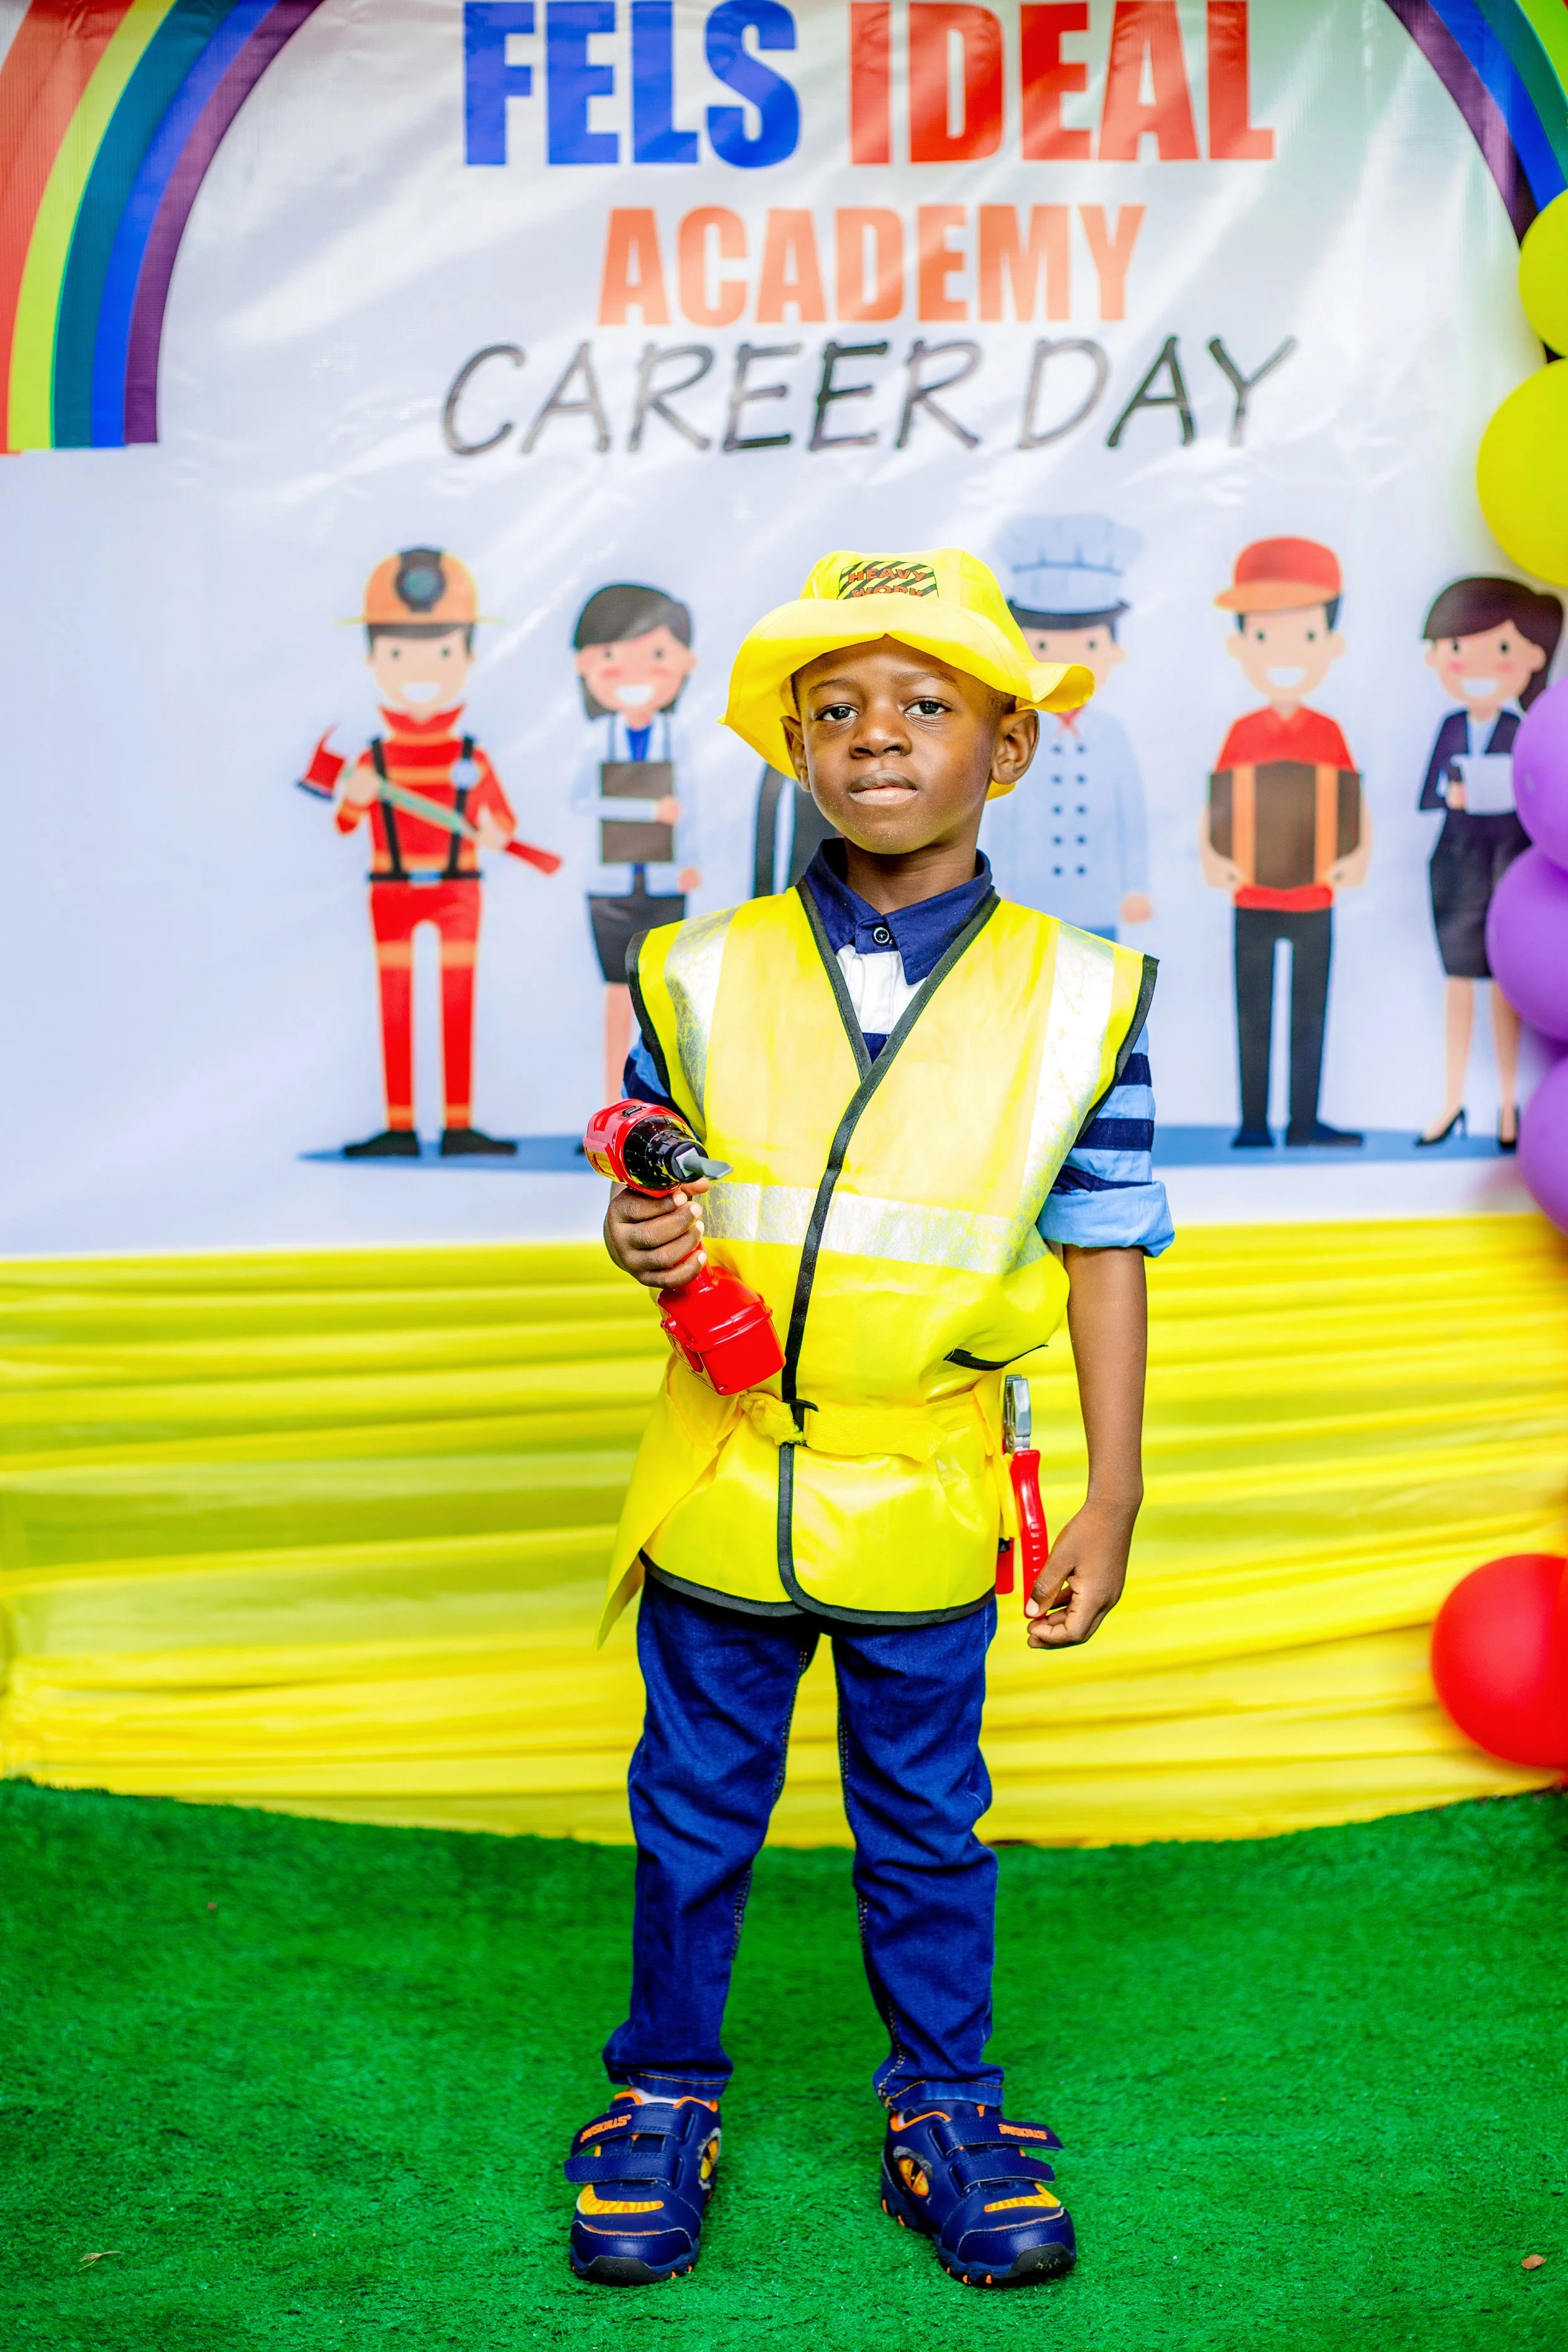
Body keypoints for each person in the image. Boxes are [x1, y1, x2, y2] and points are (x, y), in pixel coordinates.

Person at [564, 548, 1173, 2293]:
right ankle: (661, 2092)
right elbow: (642, 1179)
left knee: (923, 1824)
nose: (875, 737)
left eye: (924, 703)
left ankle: (946, 2103)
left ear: (1007, 748)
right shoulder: (691, 969)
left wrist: (1112, 1493)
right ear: (791, 752)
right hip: (726, 1481)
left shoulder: (1085, 995)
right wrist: (640, 1234)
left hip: (922, 1491)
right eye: (833, 711)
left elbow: (1110, 1244)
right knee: (691, 1811)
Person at [332, 549, 527, 1157]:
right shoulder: (373, 759)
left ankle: (457, 1122)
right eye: (398, 652)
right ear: (373, 659)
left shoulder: (470, 755)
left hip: (457, 890)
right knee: (396, 1003)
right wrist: (354, 799)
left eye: (440, 651)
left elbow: (503, 824)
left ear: (466, 657)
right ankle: (399, 1125)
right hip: (390, 890)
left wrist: (493, 832)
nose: (419, 667)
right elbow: (344, 821)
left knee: (455, 1002)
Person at [1201, 538, 1370, 1148]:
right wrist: (1214, 859)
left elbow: (1353, 800)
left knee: (1307, 1013)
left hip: (1314, 898)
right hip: (1249, 897)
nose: (1284, 655)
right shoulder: (1241, 733)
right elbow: (1215, 803)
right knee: (1253, 1013)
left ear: (1330, 645)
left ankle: (1302, 1121)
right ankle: (1252, 1123)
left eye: (1303, 635)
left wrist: (1354, 857)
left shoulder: (1329, 734)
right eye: (1265, 636)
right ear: (1240, 645)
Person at [1414, 575, 1562, 1150]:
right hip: (1455, 865)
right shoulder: (1451, 728)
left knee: (1507, 986)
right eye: (1455, 648)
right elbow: (1428, 793)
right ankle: (1451, 1101)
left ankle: (1507, 1103)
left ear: (1531, 656)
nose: (1473, 663)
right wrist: (1455, 793)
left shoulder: (1523, 731)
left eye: (1499, 648)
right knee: (1459, 985)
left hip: (1509, 866)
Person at [980, 514, 1153, 940]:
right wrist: (996, 882)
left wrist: (1135, 887)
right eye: (1042, 644)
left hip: (1098, 896)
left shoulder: (1111, 734)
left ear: (1115, 652)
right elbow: (1000, 812)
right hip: (1030, 897)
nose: (1066, 657)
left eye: (1090, 644)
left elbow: (1131, 814)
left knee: (1096, 990)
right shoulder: (1012, 730)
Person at [571, 583, 701, 1103]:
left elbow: (687, 808)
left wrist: (689, 861)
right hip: (612, 884)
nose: (636, 674)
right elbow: (583, 802)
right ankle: (609, 1107)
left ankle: (659, 1111)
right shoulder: (596, 739)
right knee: (615, 997)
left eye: (656, 655)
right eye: (613, 657)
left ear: (683, 662)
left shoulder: (677, 736)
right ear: (586, 664)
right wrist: (645, 810)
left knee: (662, 997)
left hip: (666, 880)